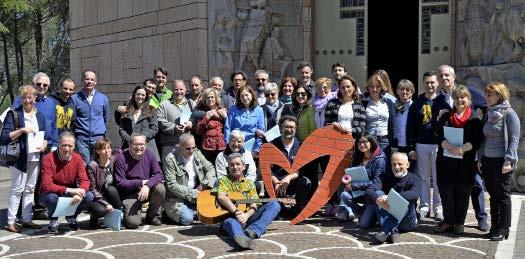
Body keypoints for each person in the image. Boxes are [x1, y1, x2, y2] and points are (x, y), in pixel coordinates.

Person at [434, 64, 488, 228]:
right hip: (447, 159)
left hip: (466, 160)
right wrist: (446, 145)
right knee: (446, 190)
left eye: (462, 98)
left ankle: (465, 221)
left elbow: (477, 138)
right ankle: (449, 220)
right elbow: (437, 133)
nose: (459, 101)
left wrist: (461, 149)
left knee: (465, 190)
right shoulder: (444, 112)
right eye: (456, 98)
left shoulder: (474, 118)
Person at [2, 85, 52, 232]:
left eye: (30, 98)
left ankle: (27, 219)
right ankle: (11, 221)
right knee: (17, 189)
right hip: (19, 158)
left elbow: (46, 136)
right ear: (21, 99)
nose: (27, 101)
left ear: (35, 99)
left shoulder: (40, 115)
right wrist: (22, 130)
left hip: (35, 157)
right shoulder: (14, 114)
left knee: (30, 188)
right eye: (24, 98)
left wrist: (44, 144)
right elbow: (5, 137)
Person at [479, 82, 520, 241]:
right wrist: (481, 157)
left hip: (502, 161)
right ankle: (495, 226)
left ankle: (504, 227)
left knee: (503, 195)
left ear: (499, 95)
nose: (487, 97)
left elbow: (514, 140)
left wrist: (509, 160)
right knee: (492, 195)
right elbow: (485, 138)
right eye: (487, 94)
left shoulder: (509, 114)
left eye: (490, 94)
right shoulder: (489, 113)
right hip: (488, 160)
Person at [218, 153, 281, 249]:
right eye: (232, 165)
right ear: (228, 168)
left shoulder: (250, 184)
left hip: (248, 218)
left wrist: (246, 216)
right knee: (231, 222)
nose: (235, 167)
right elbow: (221, 197)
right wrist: (236, 212)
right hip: (230, 217)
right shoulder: (224, 180)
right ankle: (242, 239)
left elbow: (254, 204)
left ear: (244, 167)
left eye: (238, 164)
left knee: (275, 205)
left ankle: (253, 232)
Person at [406, 71, 443, 221]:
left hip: (438, 145)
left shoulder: (443, 102)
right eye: (427, 82)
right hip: (421, 145)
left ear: (437, 83)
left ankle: (438, 208)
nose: (430, 85)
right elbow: (410, 127)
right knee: (423, 178)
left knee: (438, 178)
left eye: (432, 82)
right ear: (424, 83)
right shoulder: (417, 103)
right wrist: (411, 147)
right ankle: (424, 206)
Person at [40, 132, 94, 233]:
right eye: (64, 145)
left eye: (70, 146)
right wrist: (72, 190)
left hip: (70, 193)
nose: (67, 149)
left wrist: (80, 193)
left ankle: (71, 216)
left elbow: (85, 180)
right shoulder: (48, 159)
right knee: (51, 198)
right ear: (58, 145)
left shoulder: (77, 158)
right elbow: (46, 185)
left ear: (74, 146)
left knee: (89, 196)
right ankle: (53, 220)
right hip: (51, 193)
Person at [114, 133, 165, 228]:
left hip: (146, 190)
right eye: (136, 144)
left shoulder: (149, 154)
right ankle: (134, 211)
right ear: (129, 144)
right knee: (132, 223)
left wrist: (147, 185)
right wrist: (141, 183)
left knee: (160, 189)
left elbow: (159, 175)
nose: (139, 147)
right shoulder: (121, 158)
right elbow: (120, 182)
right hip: (130, 194)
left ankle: (151, 215)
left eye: (142, 144)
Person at [164, 133, 216, 225]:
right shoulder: (170, 159)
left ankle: (194, 210)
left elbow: (210, 168)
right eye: (188, 148)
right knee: (187, 219)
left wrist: (204, 183)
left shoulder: (197, 153)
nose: (192, 151)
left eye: (194, 147)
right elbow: (172, 185)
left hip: (196, 193)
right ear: (180, 146)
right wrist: (194, 193)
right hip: (178, 197)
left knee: (215, 181)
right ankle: (171, 212)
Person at [337, 133, 386, 229]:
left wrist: (355, 185)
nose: (362, 145)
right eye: (359, 142)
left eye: (365, 142)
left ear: (371, 142)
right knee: (344, 195)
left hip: (372, 192)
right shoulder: (358, 155)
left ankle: (373, 216)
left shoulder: (380, 159)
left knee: (363, 225)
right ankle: (362, 213)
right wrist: (349, 182)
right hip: (360, 191)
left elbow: (377, 183)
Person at [372, 152, 422, 244]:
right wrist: (379, 199)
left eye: (400, 164)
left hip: (407, 221)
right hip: (390, 215)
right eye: (393, 164)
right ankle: (393, 231)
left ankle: (387, 230)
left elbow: (415, 194)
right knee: (379, 196)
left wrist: (390, 197)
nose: (396, 167)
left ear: (408, 164)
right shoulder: (388, 177)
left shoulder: (415, 178)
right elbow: (373, 189)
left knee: (406, 201)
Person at [270, 115, 311, 216]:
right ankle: (279, 208)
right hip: (276, 183)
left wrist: (288, 178)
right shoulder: (272, 145)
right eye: (286, 127)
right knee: (277, 211)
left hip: (293, 181)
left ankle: (298, 208)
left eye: (291, 127)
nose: (289, 129)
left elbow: (302, 169)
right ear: (281, 128)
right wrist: (276, 181)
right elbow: (266, 168)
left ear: (296, 130)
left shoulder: (300, 146)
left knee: (306, 181)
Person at [71, 70, 110, 164]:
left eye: (92, 79)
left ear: (96, 82)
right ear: (82, 80)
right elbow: (73, 119)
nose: (90, 81)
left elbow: (106, 117)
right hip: (82, 139)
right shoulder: (75, 98)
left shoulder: (103, 98)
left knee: (99, 164)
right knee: (84, 165)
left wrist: (102, 132)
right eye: (87, 79)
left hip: (98, 138)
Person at [12, 72, 58, 150]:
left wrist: (54, 145)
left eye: (45, 85)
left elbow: (54, 126)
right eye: (39, 84)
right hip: (24, 144)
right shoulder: (20, 100)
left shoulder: (51, 103)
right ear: (33, 84)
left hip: (46, 145)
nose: (42, 87)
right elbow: (12, 121)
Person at [87, 138, 122, 229]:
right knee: (100, 211)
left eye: (109, 147)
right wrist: (106, 204)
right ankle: (93, 216)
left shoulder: (114, 160)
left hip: (113, 195)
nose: (107, 151)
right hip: (98, 197)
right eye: (104, 148)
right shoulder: (92, 166)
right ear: (97, 151)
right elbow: (92, 189)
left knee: (111, 189)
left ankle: (118, 217)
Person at [157, 79, 196, 159]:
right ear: (172, 90)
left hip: (188, 146)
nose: (179, 92)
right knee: (169, 170)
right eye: (176, 89)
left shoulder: (191, 104)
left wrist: (191, 123)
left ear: (185, 90)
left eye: (181, 89)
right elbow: (160, 121)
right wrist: (174, 128)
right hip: (170, 146)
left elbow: (197, 119)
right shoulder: (164, 105)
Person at [119, 85, 159, 161]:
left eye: (143, 95)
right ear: (134, 95)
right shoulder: (126, 110)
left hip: (147, 146)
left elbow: (154, 128)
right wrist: (130, 140)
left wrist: (141, 139)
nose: (140, 97)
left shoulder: (151, 109)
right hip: (129, 147)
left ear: (146, 96)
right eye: (138, 94)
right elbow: (121, 129)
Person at [224, 85, 265, 157]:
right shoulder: (233, 109)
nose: (244, 98)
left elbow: (260, 131)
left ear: (252, 95)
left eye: (246, 95)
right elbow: (228, 127)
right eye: (242, 96)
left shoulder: (259, 110)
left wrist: (257, 149)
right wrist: (228, 145)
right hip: (235, 145)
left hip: (251, 145)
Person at [362, 73, 395, 156]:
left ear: (382, 88)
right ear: (368, 87)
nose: (374, 89)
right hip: (369, 140)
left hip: (384, 140)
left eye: (378, 86)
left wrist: (394, 143)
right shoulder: (363, 103)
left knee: (384, 165)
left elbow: (393, 124)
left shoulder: (388, 102)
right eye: (372, 86)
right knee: (369, 164)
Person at [195, 88, 227, 162]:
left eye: (212, 97)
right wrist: (206, 118)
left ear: (216, 98)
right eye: (207, 97)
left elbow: (229, 128)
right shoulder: (202, 113)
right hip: (207, 147)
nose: (210, 99)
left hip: (221, 146)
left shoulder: (223, 111)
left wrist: (225, 117)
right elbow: (198, 131)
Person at [392, 79, 415, 153]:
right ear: (397, 91)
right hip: (395, 145)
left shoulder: (415, 107)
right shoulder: (392, 107)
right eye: (402, 89)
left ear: (412, 92)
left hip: (410, 145)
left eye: (407, 90)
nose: (404, 92)